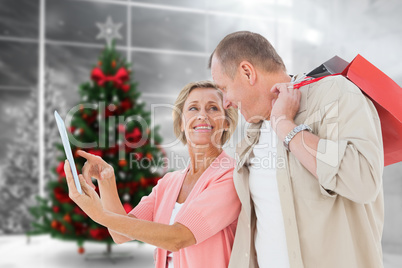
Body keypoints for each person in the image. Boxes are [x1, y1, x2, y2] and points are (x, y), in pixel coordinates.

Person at [209, 31, 384, 268]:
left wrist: (286, 127)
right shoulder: (252, 135)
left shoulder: (334, 93)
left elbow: (364, 181)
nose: (225, 102)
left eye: (224, 88)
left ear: (247, 72)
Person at [64, 80, 241, 268]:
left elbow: (178, 238)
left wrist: (98, 215)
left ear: (227, 123)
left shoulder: (230, 176)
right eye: (193, 108)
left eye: (213, 108)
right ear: (181, 123)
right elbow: (121, 233)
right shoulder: (168, 183)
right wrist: (107, 180)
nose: (202, 115)